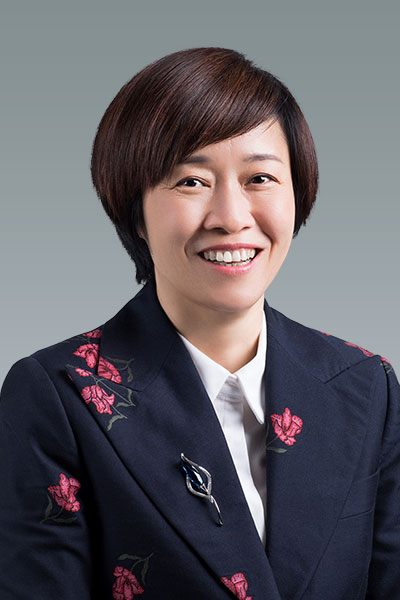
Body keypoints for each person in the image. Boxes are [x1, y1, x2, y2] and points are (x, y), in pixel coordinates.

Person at [0, 47, 398, 600]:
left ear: (299, 194)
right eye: (191, 181)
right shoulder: (58, 395)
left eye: (260, 177)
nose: (232, 218)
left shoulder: (365, 385)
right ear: (135, 210)